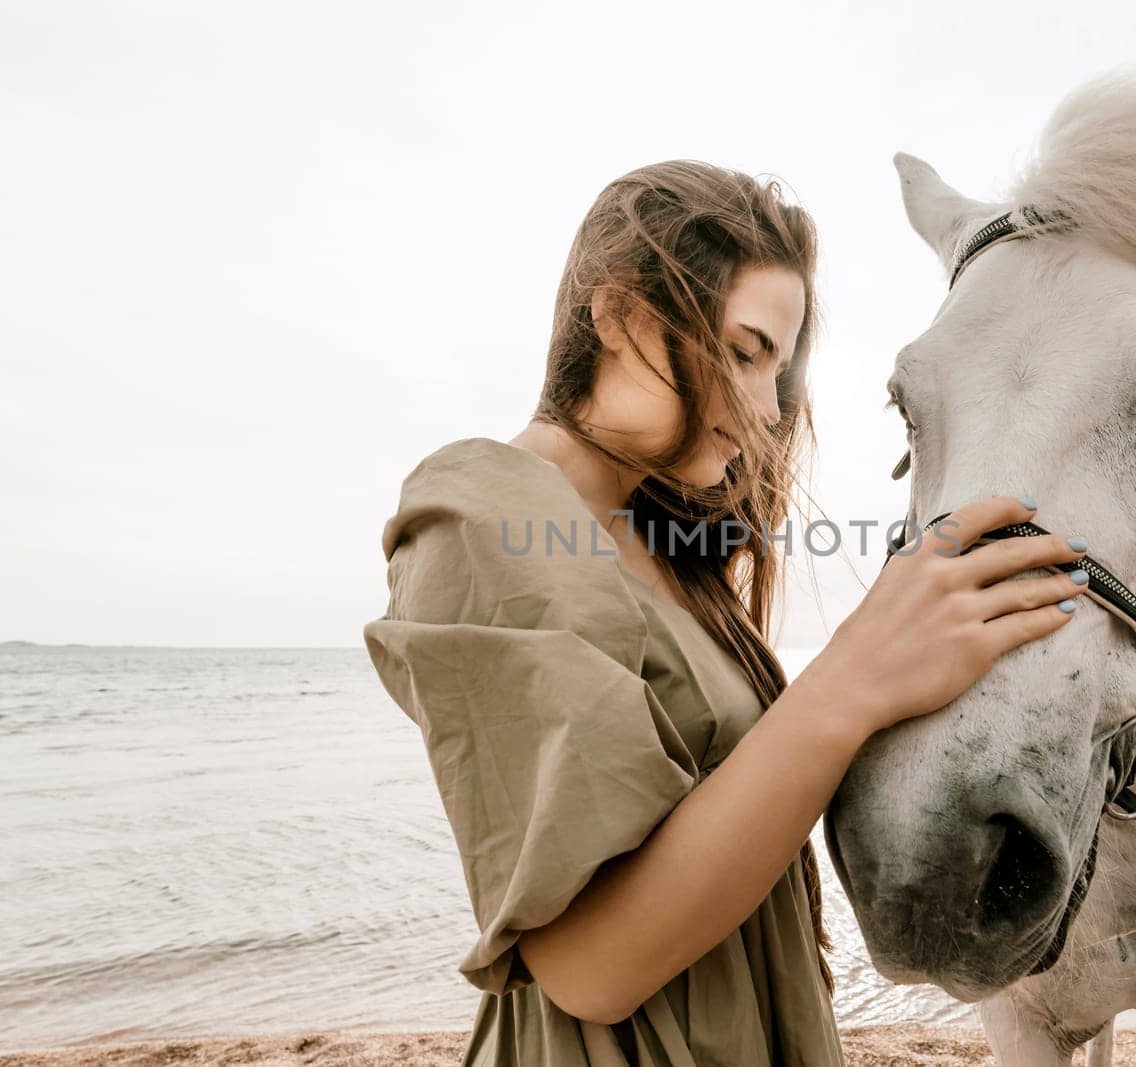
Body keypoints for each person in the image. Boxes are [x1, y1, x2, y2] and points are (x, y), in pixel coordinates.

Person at [362, 159, 1089, 1066]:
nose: (763, 409)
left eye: (777, 370)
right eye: (745, 352)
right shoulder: (483, 513)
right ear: (622, 315)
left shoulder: (661, 547)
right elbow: (589, 965)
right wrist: (855, 676)